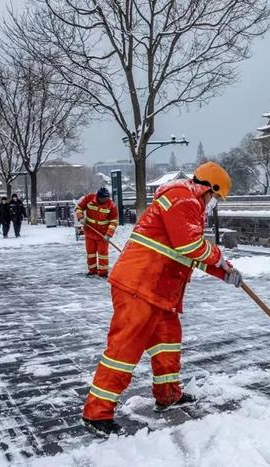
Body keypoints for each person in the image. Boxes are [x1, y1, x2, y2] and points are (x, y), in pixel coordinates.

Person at [82, 162, 243, 437]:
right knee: (124, 349)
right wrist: (218, 258)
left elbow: (185, 252)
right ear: (208, 188)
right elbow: (190, 245)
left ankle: (168, 394)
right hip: (140, 286)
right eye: (216, 197)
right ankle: (97, 413)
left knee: (167, 342)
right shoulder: (183, 198)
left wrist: (223, 271)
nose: (214, 203)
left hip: (158, 290)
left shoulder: (185, 202)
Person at [75, 187, 119, 277]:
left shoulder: (112, 206)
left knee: (103, 254)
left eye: (108, 198)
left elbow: (113, 221)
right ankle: (92, 271)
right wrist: (81, 217)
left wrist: (109, 234)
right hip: (90, 232)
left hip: (102, 235)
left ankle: (103, 273)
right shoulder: (89, 198)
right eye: (105, 198)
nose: (107, 200)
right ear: (99, 197)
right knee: (90, 253)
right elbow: (78, 207)